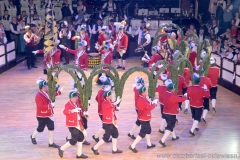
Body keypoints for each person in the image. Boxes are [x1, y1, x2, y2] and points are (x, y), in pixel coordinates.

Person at [30, 78, 63, 148]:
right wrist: (50, 105)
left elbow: (52, 94)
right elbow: (40, 106)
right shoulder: (38, 96)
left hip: (49, 114)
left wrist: (59, 92)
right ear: (43, 87)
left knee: (51, 127)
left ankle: (51, 143)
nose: (47, 87)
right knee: (40, 129)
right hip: (42, 115)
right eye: (46, 86)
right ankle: (33, 136)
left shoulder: (46, 92)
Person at [91, 85, 122, 155]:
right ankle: (95, 148)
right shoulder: (105, 103)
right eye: (110, 96)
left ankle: (114, 149)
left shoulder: (109, 102)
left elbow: (112, 107)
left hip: (110, 122)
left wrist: (116, 107)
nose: (111, 96)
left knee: (115, 133)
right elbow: (110, 106)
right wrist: (116, 103)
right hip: (107, 123)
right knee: (106, 138)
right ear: (107, 97)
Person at [58, 90, 88, 159]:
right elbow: (65, 112)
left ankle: (79, 154)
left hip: (77, 123)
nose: (77, 98)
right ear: (72, 98)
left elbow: (78, 116)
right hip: (72, 124)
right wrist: (72, 111)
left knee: (81, 137)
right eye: (75, 97)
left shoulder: (75, 103)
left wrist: (81, 124)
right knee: (74, 140)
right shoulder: (68, 104)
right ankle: (61, 148)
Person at [129, 84, 157, 153]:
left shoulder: (140, 97)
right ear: (143, 92)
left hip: (142, 117)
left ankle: (149, 144)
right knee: (142, 133)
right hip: (144, 118)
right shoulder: (143, 100)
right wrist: (154, 104)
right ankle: (133, 145)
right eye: (145, 92)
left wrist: (150, 102)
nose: (146, 93)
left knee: (148, 130)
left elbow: (146, 105)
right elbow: (149, 107)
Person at [159, 79, 187, 147]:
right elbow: (181, 99)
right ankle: (162, 140)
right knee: (170, 126)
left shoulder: (165, 93)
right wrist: (185, 95)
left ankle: (174, 137)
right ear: (172, 89)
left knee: (170, 125)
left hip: (165, 112)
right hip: (171, 113)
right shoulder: (173, 96)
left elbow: (162, 100)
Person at [92, 74, 114, 142]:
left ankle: (96, 136)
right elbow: (106, 102)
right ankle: (104, 138)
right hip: (104, 112)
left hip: (101, 111)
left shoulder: (100, 91)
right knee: (107, 126)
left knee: (105, 126)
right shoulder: (105, 93)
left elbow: (96, 98)